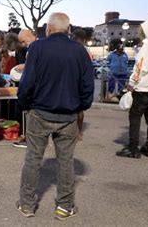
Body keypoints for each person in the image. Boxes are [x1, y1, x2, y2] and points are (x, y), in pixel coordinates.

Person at [16, 13, 94, 220]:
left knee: (33, 158)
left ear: (48, 29)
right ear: (68, 30)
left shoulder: (38, 48)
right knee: (66, 161)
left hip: (40, 112)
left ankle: (27, 205)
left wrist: (25, 104)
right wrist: (80, 106)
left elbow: (27, 82)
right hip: (68, 115)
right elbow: (88, 86)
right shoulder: (79, 51)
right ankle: (64, 206)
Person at [116, 15, 148, 159]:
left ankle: (133, 148)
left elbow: (141, 65)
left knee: (135, 116)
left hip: (144, 88)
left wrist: (132, 83)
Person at [71, 28, 92, 140]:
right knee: (80, 110)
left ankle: (76, 131)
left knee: (77, 109)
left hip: (75, 80)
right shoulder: (87, 50)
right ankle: (78, 132)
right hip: (81, 80)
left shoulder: (76, 49)